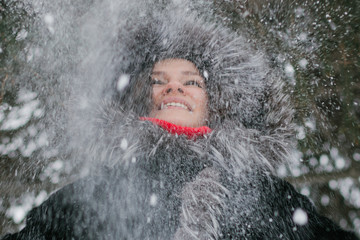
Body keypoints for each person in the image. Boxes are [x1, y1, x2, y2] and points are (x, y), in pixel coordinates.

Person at [2, 7, 359, 240]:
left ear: (215, 103)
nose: (174, 86)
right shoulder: (95, 195)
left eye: (191, 81)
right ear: (141, 98)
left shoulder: (271, 197)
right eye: (159, 80)